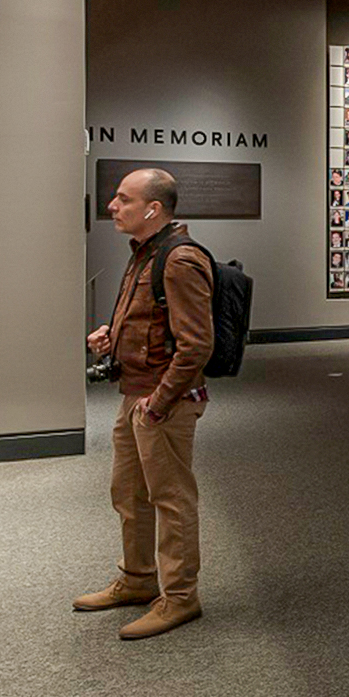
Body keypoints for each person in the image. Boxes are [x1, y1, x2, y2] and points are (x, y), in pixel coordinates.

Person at [77, 169, 214, 640]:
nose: (112, 206)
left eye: (123, 199)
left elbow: (197, 346)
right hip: (136, 394)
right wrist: (111, 338)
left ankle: (179, 597)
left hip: (163, 402)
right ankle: (138, 580)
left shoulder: (178, 260)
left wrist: (158, 403)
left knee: (171, 498)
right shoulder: (145, 254)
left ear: (153, 209)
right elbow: (150, 321)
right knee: (130, 495)